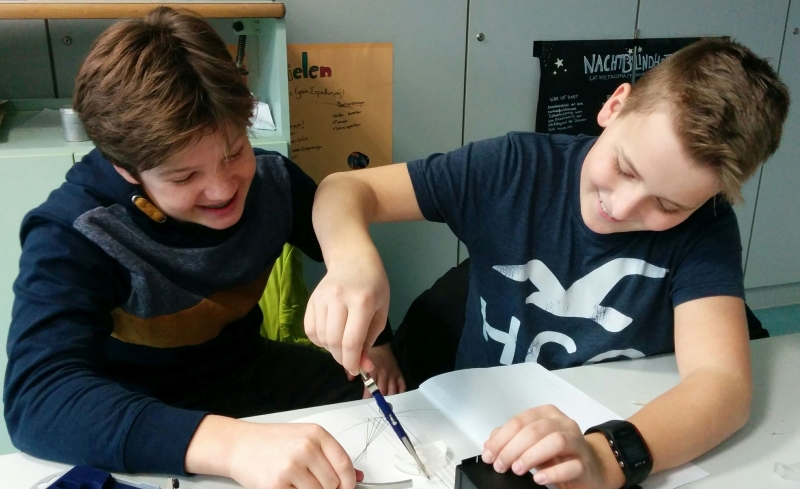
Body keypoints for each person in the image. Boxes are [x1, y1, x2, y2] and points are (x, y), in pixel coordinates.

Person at [305, 38, 790, 489]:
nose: (622, 207)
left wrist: (607, 458)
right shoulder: (513, 170)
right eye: (624, 168)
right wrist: (351, 263)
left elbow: (722, 385)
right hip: (481, 436)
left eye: (667, 205)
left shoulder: (705, 228)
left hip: (612, 426)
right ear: (615, 106)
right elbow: (344, 188)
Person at [3, 7, 404, 489]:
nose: (223, 189)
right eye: (184, 176)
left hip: (244, 372)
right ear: (126, 169)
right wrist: (231, 446)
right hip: (131, 409)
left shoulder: (272, 182)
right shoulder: (75, 232)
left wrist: (377, 340)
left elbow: (345, 255)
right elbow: (37, 398)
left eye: (234, 152)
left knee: (396, 409)